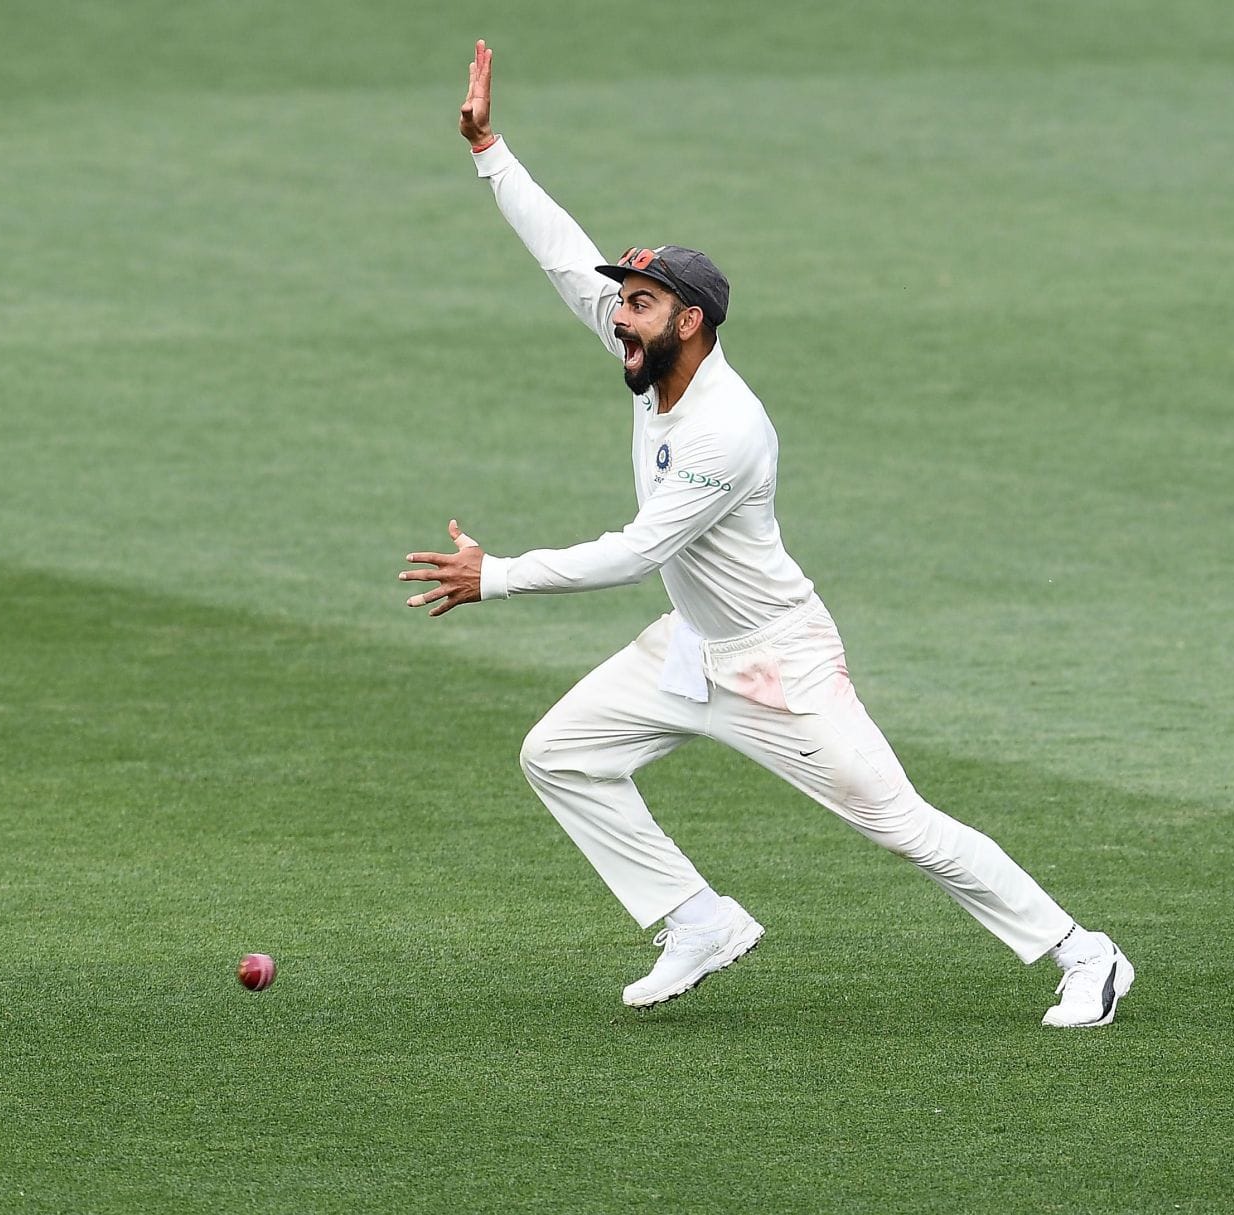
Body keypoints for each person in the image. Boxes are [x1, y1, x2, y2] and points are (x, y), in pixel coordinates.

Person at [397, 41, 1132, 1027]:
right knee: (559, 754)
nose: (620, 315)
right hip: (692, 646)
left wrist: (499, 577)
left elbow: (637, 551)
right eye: (624, 300)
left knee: (901, 825)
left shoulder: (724, 431)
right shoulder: (648, 355)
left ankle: (1085, 955)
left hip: (777, 665)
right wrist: (490, 149)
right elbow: (563, 254)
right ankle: (693, 917)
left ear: (690, 321)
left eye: (642, 303)